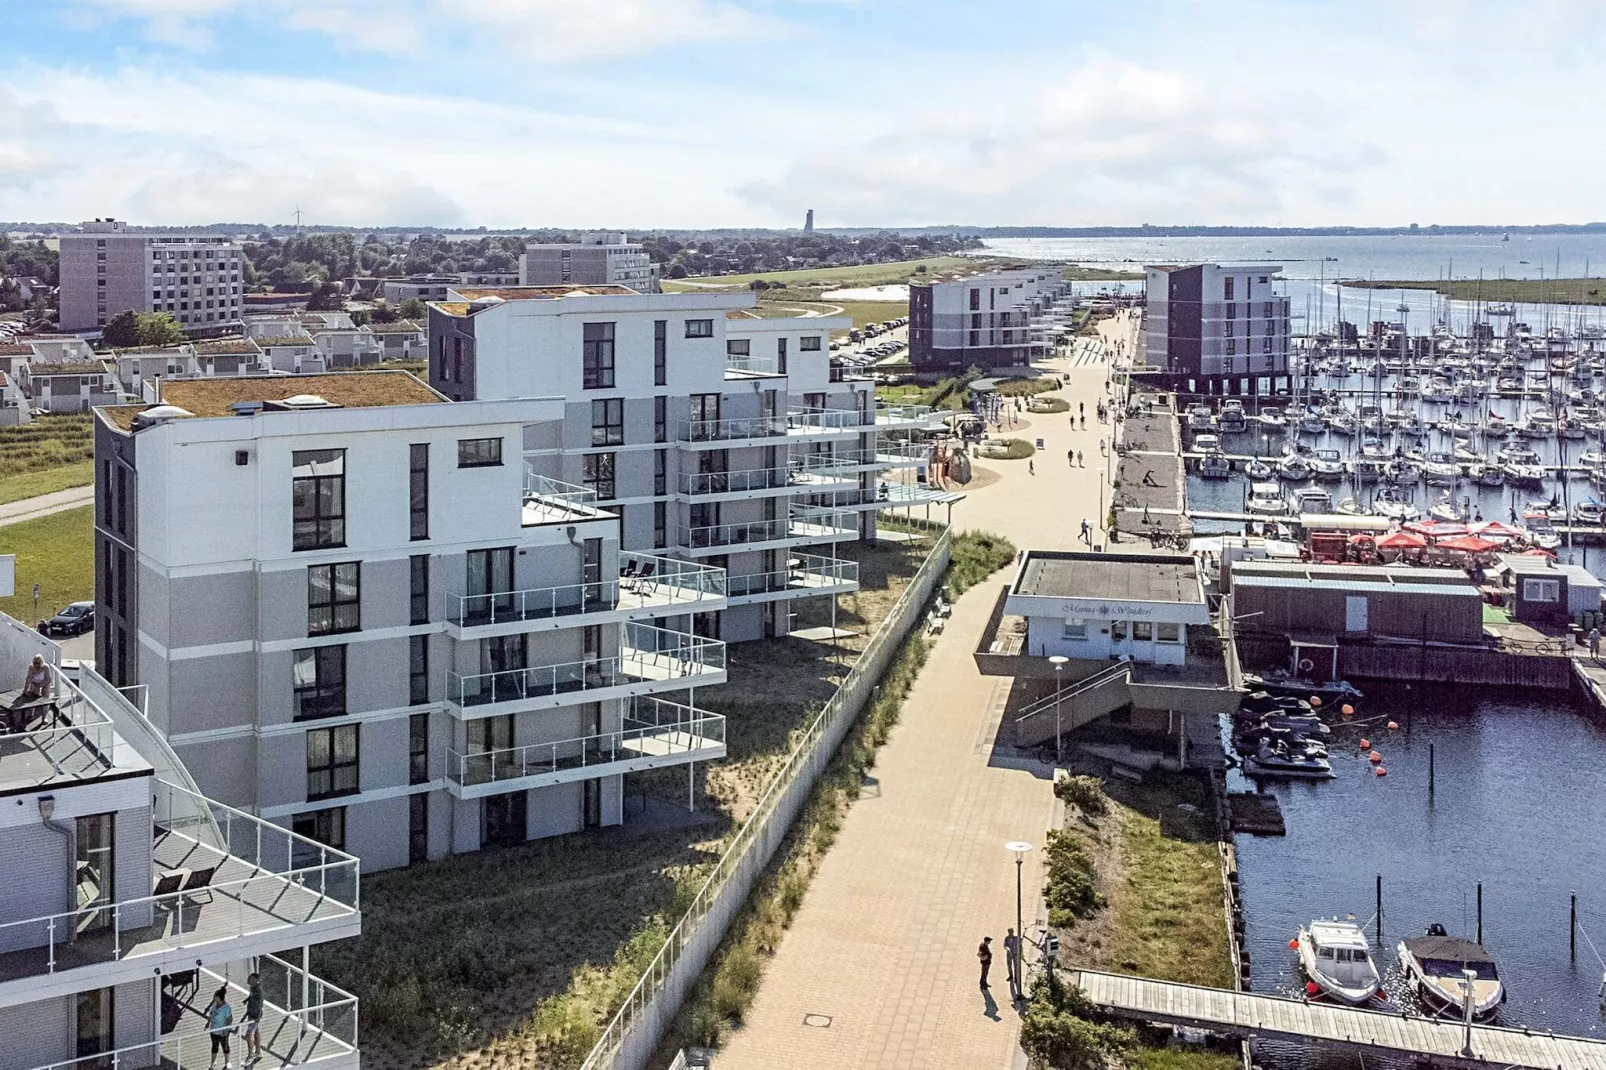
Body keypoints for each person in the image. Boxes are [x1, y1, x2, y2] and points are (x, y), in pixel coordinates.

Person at [205, 987, 234, 1070]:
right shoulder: (214, 1005)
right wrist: (208, 1023)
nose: (214, 998)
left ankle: (227, 1062)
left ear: (219, 998)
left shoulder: (227, 1008)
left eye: (215, 996)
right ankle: (213, 1062)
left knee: (225, 1046)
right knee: (214, 1046)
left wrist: (226, 1029)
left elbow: (230, 1019)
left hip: (223, 1032)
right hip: (214, 1030)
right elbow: (211, 1014)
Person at [242, 972, 264, 1063]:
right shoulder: (253, 988)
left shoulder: (258, 991)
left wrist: (257, 1017)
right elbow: (252, 996)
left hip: (254, 1016)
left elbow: (259, 1005)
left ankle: (250, 1056)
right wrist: (247, 1000)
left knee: (248, 1036)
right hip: (252, 1014)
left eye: (250, 978)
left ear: (255, 980)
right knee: (256, 1033)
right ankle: (258, 1052)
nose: (248, 979)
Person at [1003, 928, 1021, 994]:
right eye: (1009, 932)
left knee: (1016, 966)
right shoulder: (1006, 938)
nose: (1010, 933)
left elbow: (1020, 945)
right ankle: (1011, 975)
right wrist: (1008, 949)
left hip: (1015, 954)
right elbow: (1005, 945)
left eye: (1011, 932)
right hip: (1009, 954)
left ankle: (1016, 978)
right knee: (1009, 965)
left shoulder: (1016, 938)